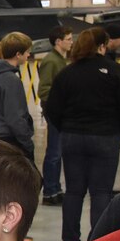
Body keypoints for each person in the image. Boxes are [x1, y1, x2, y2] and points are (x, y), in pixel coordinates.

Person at [44, 27, 120, 241]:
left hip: (73, 137)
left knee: (74, 192)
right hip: (106, 137)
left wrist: (65, 128)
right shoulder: (115, 71)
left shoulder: (68, 73)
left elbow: (52, 107)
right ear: (102, 46)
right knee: (101, 192)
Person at [0, 31, 35, 162]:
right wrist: (27, 144)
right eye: (27, 51)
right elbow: (15, 118)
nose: (29, 54)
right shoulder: (11, 80)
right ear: (18, 54)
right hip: (10, 141)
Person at [37, 25, 73, 205]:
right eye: (69, 39)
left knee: (57, 153)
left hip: (60, 112)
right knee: (54, 152)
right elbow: (43, 90)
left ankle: (55, 188)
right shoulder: (51, 61)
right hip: (55, 112)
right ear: (58, 41)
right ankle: (50, 191)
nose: (71, 42)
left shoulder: (59, 60)